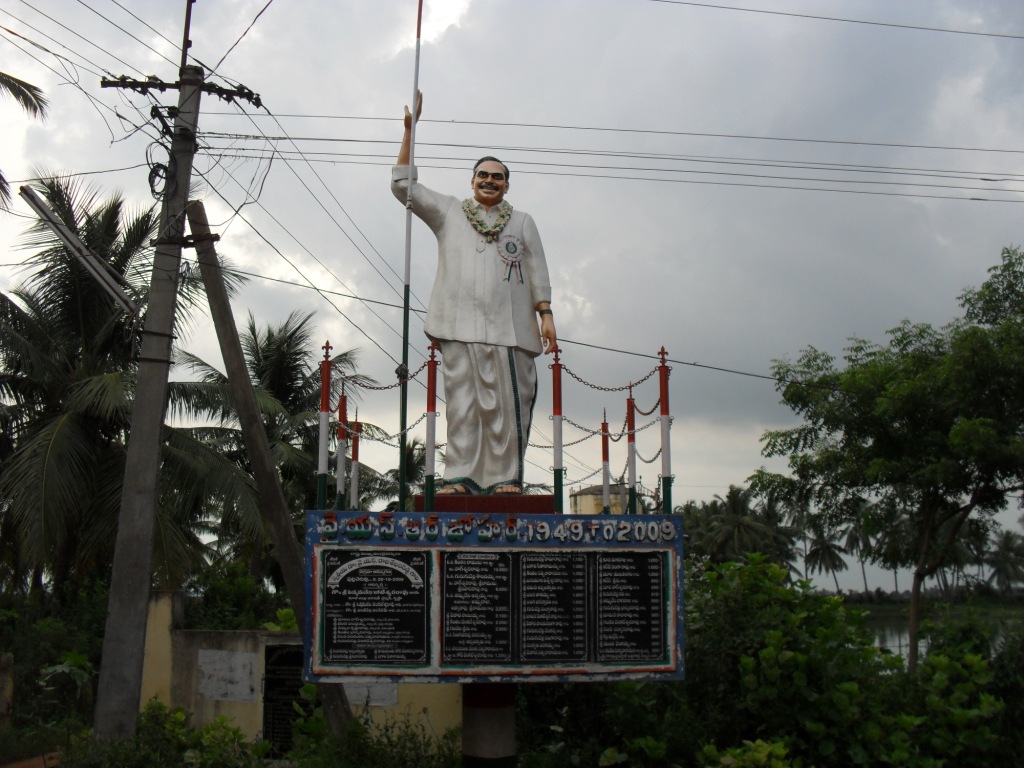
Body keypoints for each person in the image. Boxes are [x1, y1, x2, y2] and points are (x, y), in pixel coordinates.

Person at [392, 92, 556, 495]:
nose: (489, 181)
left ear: (506, 185)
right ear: (472, 181)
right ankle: (459, 477)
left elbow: (536, 267)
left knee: (508, 406)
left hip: (511, 329)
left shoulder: (521, 221)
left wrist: (545, 313)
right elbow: (402, 186)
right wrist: (410, 134)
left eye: (497, 177)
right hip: (459, 323)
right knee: (462, 404)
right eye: (483, 175)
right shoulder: (448, 210)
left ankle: (505, 478)